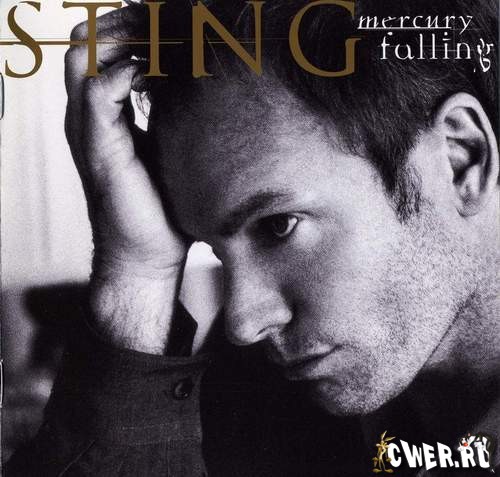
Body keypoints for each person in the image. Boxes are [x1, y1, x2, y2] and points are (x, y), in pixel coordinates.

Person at [6, 0, 499, 475]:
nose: (243, 322)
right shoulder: (257, 389)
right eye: (216, 251)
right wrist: (137, 273)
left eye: (277, 225)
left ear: (461, 160)